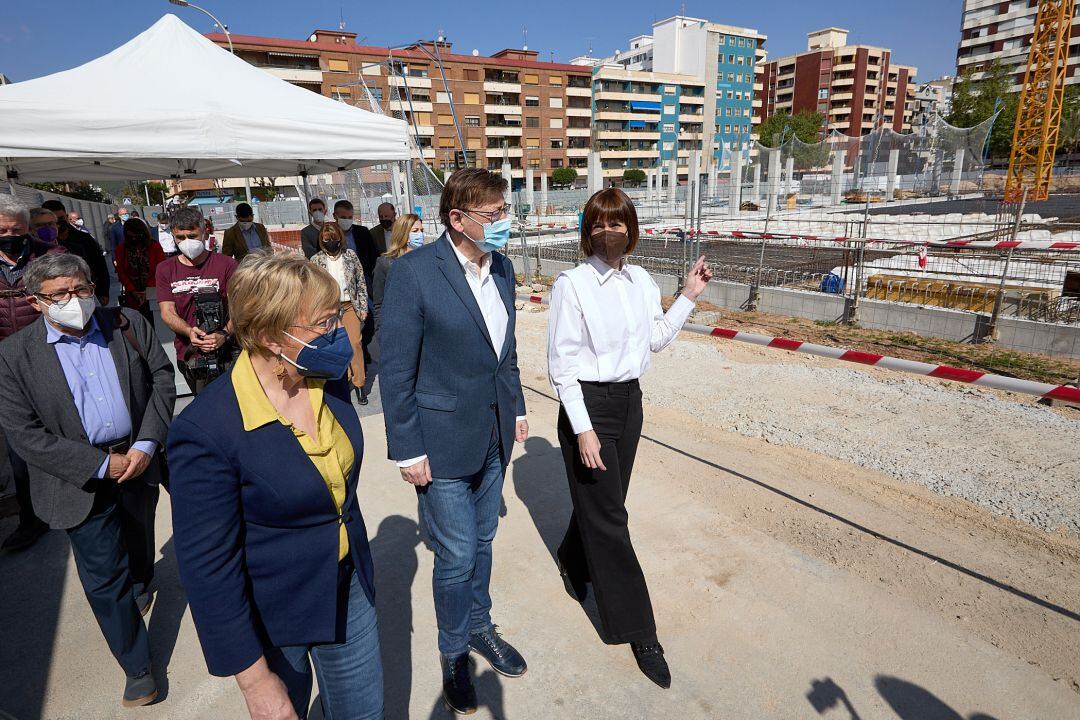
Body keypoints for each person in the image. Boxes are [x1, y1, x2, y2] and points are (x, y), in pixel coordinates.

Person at [168, 252, 384, 720]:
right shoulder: (208, 430)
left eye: (336, 319)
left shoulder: (325, 380)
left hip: (348, 588)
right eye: (323, 324)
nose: (338, 335)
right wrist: (255, 681)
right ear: (269, 336)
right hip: (274, 615)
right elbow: (208, 567)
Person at [547, 188, 712, 689]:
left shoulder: (640, 279)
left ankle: (574, 560)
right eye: (597, 224)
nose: (607, 232)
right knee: (613, 519)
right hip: (589, 407)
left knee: (606, 503)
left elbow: (656, 339)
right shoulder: (570, 284)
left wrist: (687, 296)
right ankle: (639, 629)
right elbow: (561, 365)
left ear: (631, 229)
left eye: (616, 223)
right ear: (587, 232)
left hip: (628, 404)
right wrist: (583, 430)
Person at [380, 168, 528, 715]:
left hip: (493, 431)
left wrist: (517, 408)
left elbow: (505, 349)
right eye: (492, 217)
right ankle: (452, 653)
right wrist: (407, 448)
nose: (501, 224)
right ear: (456, 219)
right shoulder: (415, 273)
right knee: (458, 551)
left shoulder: (504, 268)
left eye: (503, 213)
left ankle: (480, 625)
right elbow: (395, 369)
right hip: (439, 439)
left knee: (484, 539)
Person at [0, 252, 176, 708]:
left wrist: (147, 442)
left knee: (138, 538)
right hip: (76, 478)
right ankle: (137, 667)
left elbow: (160, 376)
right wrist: (100, 466)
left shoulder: (127, 323)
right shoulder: (13, 355)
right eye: (60, 294)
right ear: (37, 301)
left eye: (80, 289)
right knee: (103, 576)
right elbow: (24, 434)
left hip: (138, 459)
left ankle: (142, 581)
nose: (74, 301)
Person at [0, 195, 65, 551]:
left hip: (49, 355)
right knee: (19, 446)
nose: (10, 236)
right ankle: (31, 519)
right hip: (6, 364)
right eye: (2, 230)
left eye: (17, 230)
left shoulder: (48, 257)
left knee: (63, 429)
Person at [155, 207, 238, 395]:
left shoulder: (226, 265)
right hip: (189, 353)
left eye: (192, 236)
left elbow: (241, 308)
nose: (187, 242)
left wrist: (224, 333)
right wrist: (188, 331)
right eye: (180, 238)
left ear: (204, 232)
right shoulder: (165, 269)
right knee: (203, 408)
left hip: (227, 352)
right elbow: (167, 311)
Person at [309, 221, 370, 405]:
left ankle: (359, 384)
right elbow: (312, 288)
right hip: (329, 308)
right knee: (335, 346)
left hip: (350, 306)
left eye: (334, 239)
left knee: (355, 343)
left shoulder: (350, 256)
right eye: (327, 239)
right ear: (321, 240)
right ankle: (345, 379)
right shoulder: (316, 260)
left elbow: (361, 282)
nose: (331, 242)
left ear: (340, 238)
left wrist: (363, 307)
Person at [41, 199, 110, 305]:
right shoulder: (42, 243)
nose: (58, 224)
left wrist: (103, 292)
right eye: (53, 221)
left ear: (66, 216)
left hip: (87, 292)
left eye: (61, 218)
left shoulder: (84, 239)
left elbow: (100, 265)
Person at [371, 213, 423, 336]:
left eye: (422, 230)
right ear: (404, 234)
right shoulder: (385, 263)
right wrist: (380, 333)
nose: (420, 234)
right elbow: (379, 302)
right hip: (399, 328)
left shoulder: (427, 259)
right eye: (415, 231)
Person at [115, 218, 166, 323]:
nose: (134, 239)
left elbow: (160, 269)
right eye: (130, 236)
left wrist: (147, 291)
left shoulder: (154, 247)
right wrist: (134, 291)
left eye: (137, 235)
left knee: (156, 322)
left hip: (153, 292)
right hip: (132, 296)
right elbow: (121, 272)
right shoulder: (121, 249)